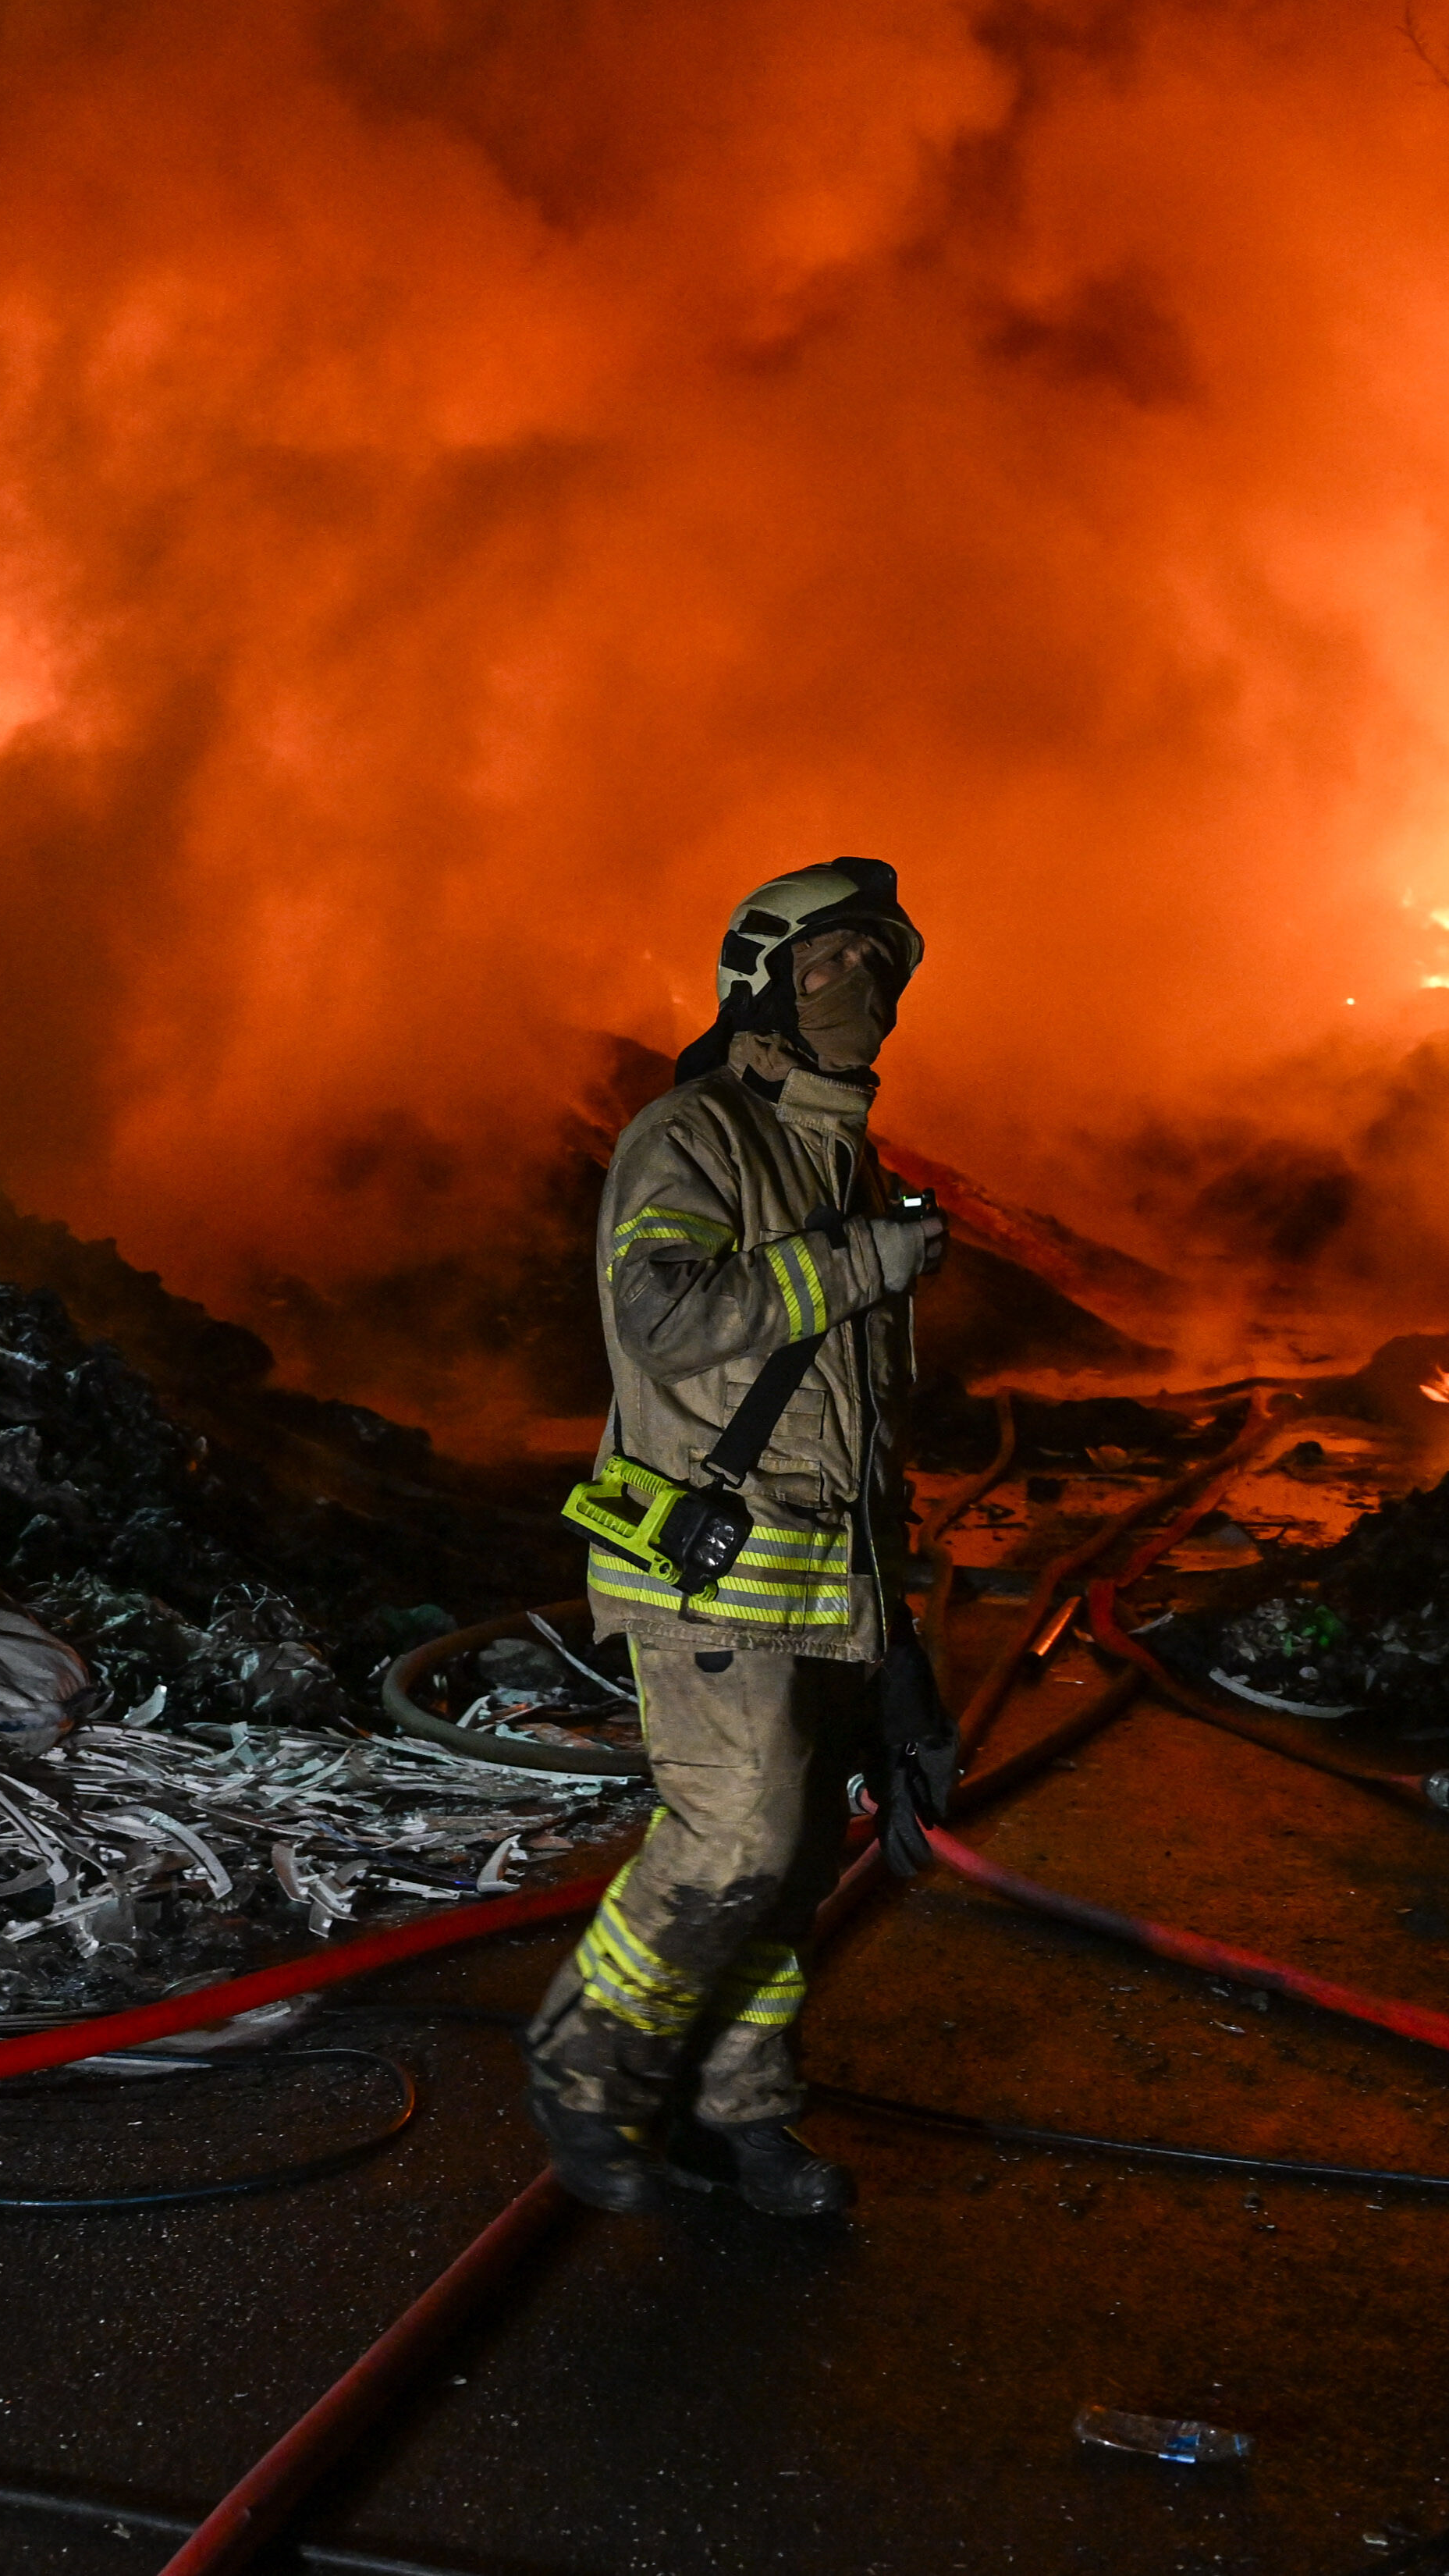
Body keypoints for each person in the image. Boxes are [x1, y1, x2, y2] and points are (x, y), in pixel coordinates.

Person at [525, 856, 947, 2217]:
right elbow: (658, 1315)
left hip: (827, 1587)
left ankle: (739, 2115)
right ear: (758, 983)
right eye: (828, 965)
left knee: (789, 1869)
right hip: (712, 1578)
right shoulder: (692, 1132)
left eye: (875, 965)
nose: (858, 990)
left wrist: (899, 1645)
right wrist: (860, 1264)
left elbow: (860, 1424)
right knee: (731, 1846)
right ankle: (585, 2073)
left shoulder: (845, 1152)